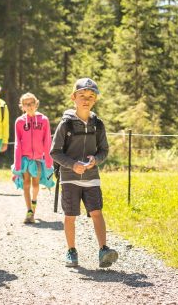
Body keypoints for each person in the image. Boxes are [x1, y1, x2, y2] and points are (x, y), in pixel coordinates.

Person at [50, 78, 118, 268]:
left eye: (91, 96)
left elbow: (104, 150)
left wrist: (96, 160)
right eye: (82, 96)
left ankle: (104, 250)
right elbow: (54, 152)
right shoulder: (66, 124)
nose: (86, 99)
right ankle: (71, 251)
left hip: (91, 177)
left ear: (95, 99)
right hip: (70, 177)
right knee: (70, 215)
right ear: (74, 97)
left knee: (97, 212)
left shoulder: (99, 124)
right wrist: (72, 165)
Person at [11, 93, 54, 224]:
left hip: (38, 159)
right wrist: (17, 162)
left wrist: (48, 160)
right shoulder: (19, 121)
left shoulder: (44, 120)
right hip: (25, 159)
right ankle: (29, 211)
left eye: (31, 103)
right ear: (22, 106)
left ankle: (34, 203)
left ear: (36, 104)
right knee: (26, 184)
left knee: (35, 185)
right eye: (26, 104)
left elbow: (47, 140)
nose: (29, 106)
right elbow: (17, 142)